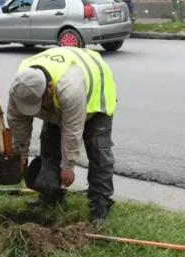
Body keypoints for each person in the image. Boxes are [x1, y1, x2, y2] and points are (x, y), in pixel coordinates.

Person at [6, 46, 117, 226]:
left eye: (38, 103)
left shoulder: (70, 87)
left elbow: (72, 131)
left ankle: (100, 206)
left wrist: (68, 167)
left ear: (49, 88)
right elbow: (18, 123)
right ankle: (52, 197)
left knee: (98, 151)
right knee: (50, 143)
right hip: (59, 104)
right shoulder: (20, 87)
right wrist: (21, 156)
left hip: (95, 97)